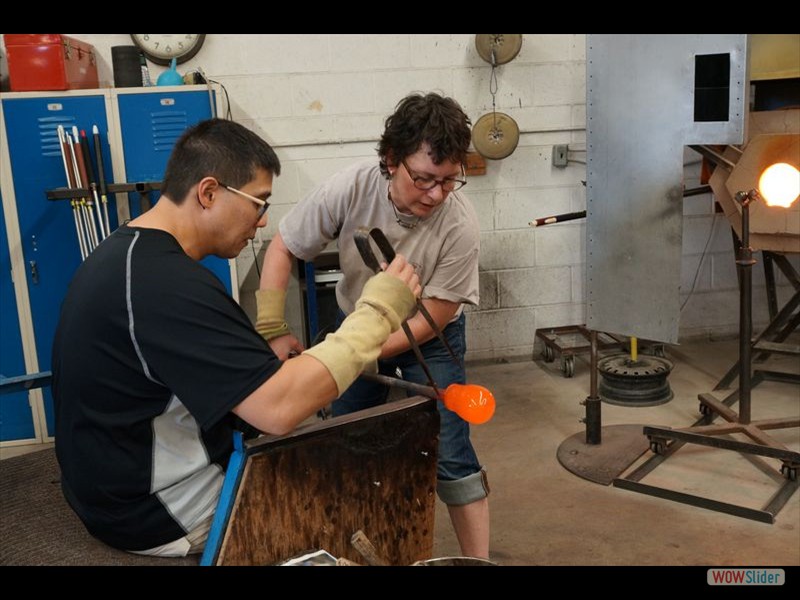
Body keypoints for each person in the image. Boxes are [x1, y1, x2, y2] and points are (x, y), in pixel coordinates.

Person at [51, 118, 420, 557]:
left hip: (108, 483)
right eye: (258, 203)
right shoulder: (165, 286)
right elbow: (278, 410)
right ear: (208, 193)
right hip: (152, 510)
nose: (262, 223)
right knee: (348, 501)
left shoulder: (130, 254)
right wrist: (377, 314)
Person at [256, 93, 490, 558]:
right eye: (423, 178)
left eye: (448, 181)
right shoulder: (352, 187)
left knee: (452, 449)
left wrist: (357, 351)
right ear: (389, 160)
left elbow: (438, 314)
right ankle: (342, 549)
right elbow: (283, 246)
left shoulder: (460, 225)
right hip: (358, 322)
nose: (436, 194)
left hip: (432, 339)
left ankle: (477, 561)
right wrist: (271, 327)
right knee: (346, 438)